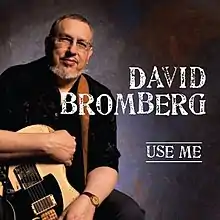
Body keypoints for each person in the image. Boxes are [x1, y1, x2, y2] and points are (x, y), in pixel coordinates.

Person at [0, 14, 145, 220]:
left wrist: (88, 200)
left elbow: (106, 163)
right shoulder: (14, 80)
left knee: (127, 213)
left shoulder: (98, 96)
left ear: (89, 54)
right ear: (48, 43)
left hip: (73, 190)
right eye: (65, 40)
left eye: (82, 44)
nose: (72, 51)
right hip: (12, 191)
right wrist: (46, 144)